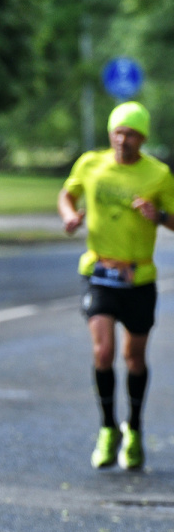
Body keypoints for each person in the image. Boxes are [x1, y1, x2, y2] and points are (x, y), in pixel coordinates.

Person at [58, 101, 174, 470]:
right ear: (110, 134)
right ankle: (108, 428)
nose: (124, 140)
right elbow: (67, 194)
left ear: (143, 138)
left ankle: (134, 429)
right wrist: (69, 216)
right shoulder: (91, 164)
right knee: (103, 351)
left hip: (138, 278)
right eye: (118, 132)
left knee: (133, 358)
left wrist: (159, 216)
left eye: (132, 134)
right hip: (99, 272)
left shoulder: (158, 174)